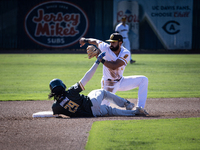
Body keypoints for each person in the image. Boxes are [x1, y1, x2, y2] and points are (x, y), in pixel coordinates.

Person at [48, 52, 148, 118]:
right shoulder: (71, 92)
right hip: (92, 103)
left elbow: (57, 114)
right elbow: (87, 77)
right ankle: (127, 104)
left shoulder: (55, 107)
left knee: (110, 110)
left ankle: (134, 113)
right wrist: (97, 62)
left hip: (93, 114)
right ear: (63, 86)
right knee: (102, 92)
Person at [79, 33, 148, 114]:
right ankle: (82, 109)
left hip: (121, 81)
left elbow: (114, 66)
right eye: (110, 42)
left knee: (143, 80)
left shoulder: (125, 53)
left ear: (120, 43)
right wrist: (84, 40)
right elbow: (95, 41)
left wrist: (101, 59)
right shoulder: (105, 47)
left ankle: (140, 108)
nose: (111, 44)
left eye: (114, 42)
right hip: (108, 84)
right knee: (100, 109)